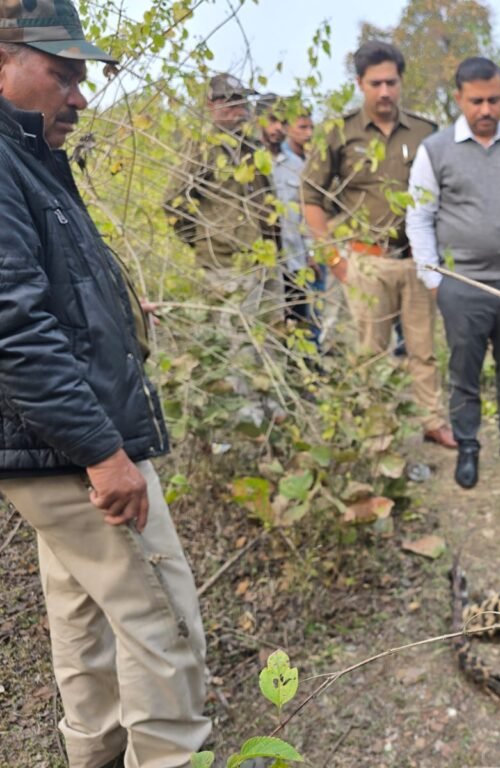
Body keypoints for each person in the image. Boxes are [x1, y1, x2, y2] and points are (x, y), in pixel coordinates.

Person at [0, 3, 209, 766]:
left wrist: (117, 311)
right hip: (66, 443)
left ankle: (96, 754)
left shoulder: (27, 155)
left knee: (83, 615)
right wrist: (101, 453)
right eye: (63, 75)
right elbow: (14, 328)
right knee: (162, 620)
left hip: (45, 444)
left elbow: (42, 290)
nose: (81, 97)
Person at [406, 56, 500, 489]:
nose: (486, 110)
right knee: (464, 371)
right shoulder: (435, 150)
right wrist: (433, 278)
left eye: (494, 100)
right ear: (459, 99)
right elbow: (419, 215)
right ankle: (468, 446)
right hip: (463, 286)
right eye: (476, 101)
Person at [302, 41, 456, 447]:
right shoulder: (339, 133)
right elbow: (311, 197)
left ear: (401, 82)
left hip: (416, 260)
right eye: (376, 84)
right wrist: (333, 259)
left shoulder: (425, 132)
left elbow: (446, 193)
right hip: (366, 261)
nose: (385, 91)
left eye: (391, 82)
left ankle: (432, 420)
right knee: (371, 352)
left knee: (423, 349)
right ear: (360, 83)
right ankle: (377, 432)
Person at [164, 71, 279, 323]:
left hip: (261, 259)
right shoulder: (202, 147)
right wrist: (205, 239)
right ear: (211, 105)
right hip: (223, 265)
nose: (239, 109)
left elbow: (267, 199)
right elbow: (174, 202)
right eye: (230, 102)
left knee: (267, 331)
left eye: (242, 101)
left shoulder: (252, 148)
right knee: (230, 336)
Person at [257, 94, 322, 343]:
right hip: (262, 264)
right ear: (259, 121)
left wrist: (311, 251)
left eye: (283, 122)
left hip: (295, 261)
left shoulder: (297, 165)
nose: (277, 128)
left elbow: (305, 211)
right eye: (272, 120)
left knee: (300, 326)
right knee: (269, 329)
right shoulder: (248, 163)